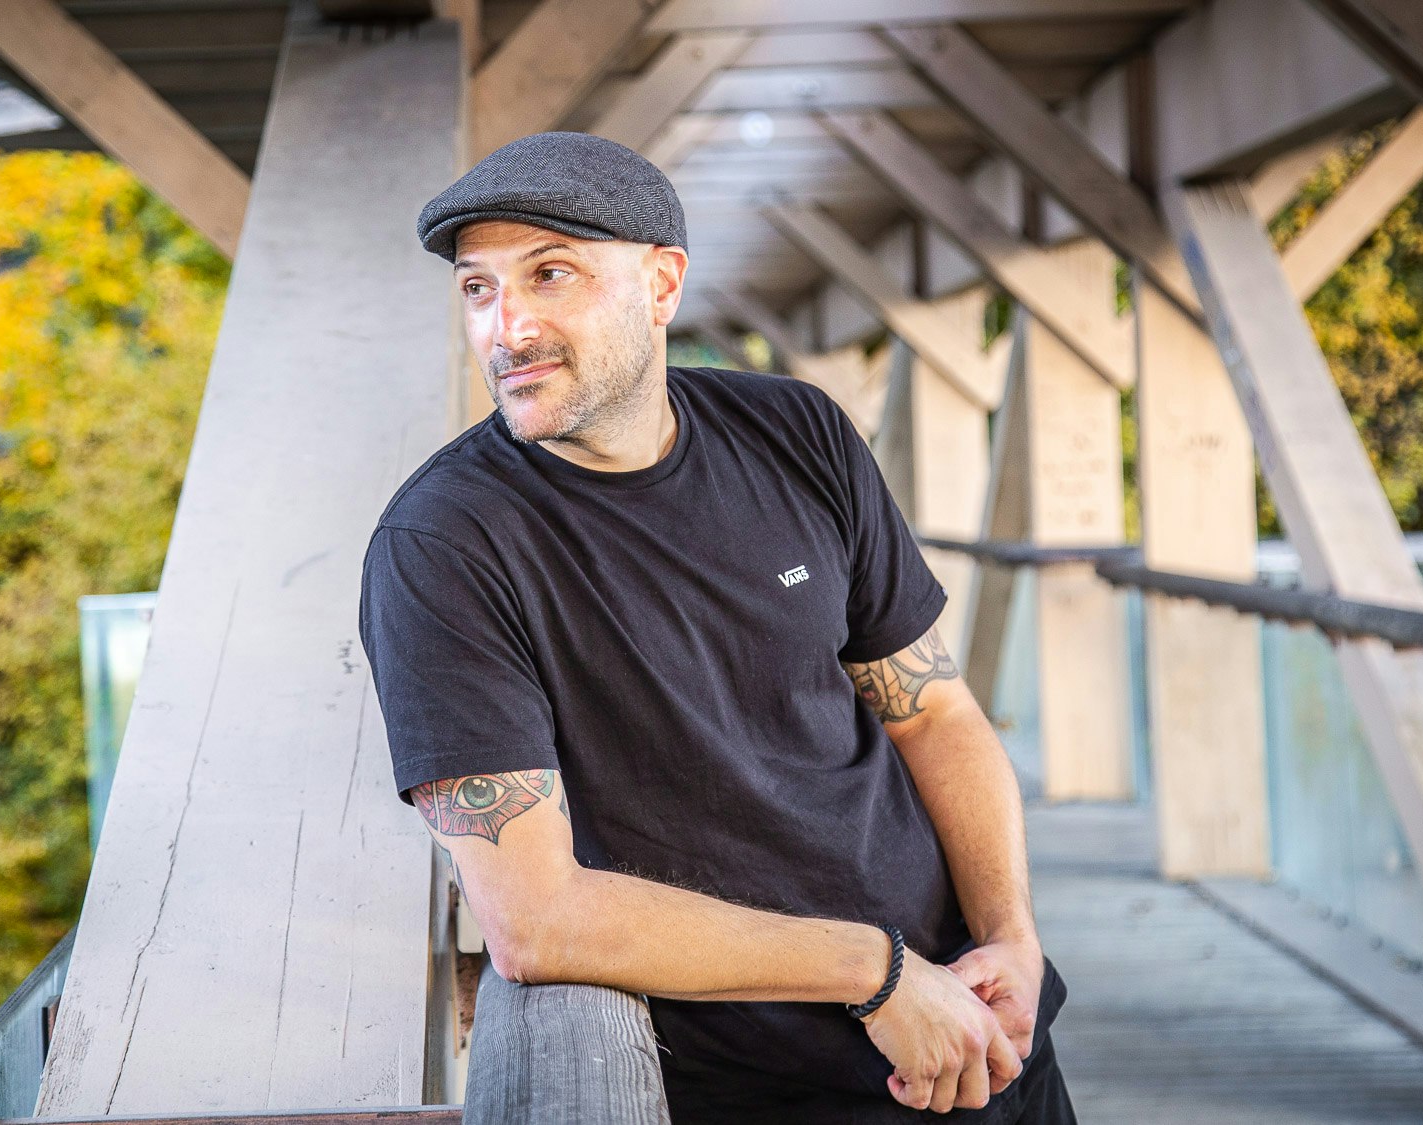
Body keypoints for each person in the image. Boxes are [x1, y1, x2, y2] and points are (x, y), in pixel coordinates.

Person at [358, 131, 1075, 1123]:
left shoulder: (797, 432)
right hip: (756, 1083)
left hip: (979, 1032)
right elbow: (534, 921)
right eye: (478, 289)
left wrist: (1011, 938)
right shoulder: (444, 545)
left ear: (662, 285)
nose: (505, 327)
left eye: (549, 274)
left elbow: (932, 716)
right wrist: (876, 973)